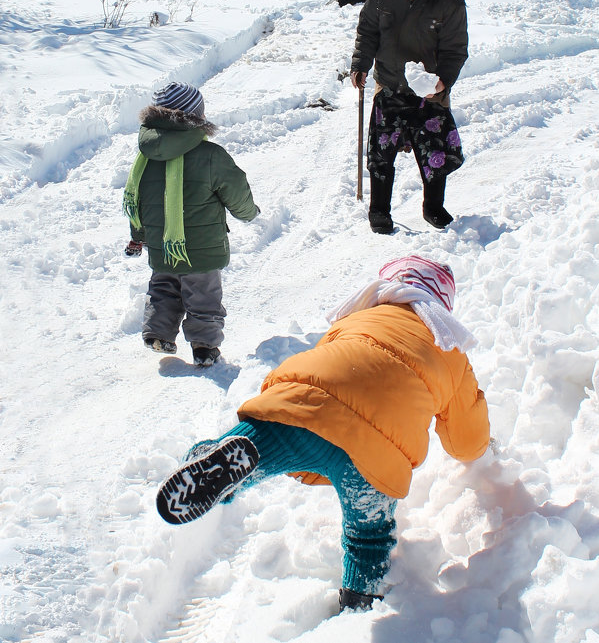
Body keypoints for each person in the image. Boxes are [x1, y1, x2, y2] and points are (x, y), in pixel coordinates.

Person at [155, 255, 490, 611]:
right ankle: (360, 602)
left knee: (258, 442)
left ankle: (212, 457)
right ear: (441, 304)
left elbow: (327, 360)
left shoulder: (359, 316)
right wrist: (483, 451)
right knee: (369, 537)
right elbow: (466, 438)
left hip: (309, 411)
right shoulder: (449, 347)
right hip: (374, 455)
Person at [123, 82, 260, 367]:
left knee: (163, 288)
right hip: (202, 249)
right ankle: (204, 346)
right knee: (204, 297)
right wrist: (248, 213)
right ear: (195, 116)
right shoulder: (211, 155)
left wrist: (138, 235)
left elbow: (139, 200)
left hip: (162, 246)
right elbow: (236, 190)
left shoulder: (145, 158)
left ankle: (158, 332)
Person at [350, 0, 469, 234]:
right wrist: (360, 64)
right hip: (389, 81)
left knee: (434, 149)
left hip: (428, 89)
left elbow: (456, 48)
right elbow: (368, 30)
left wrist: (442, 82)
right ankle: (378, 211)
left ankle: (433, 207)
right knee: (381, 150)